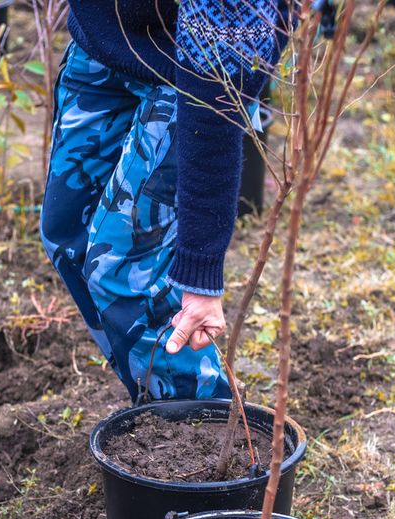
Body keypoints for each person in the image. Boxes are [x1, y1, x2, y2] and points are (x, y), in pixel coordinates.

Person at [40, 1, 289, 403]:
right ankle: (154, 401)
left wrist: (201, 274)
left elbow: (217, 92)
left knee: (124, 275)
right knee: (69, 236)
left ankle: (197, 423)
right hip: (105, 39)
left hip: (196, 69)